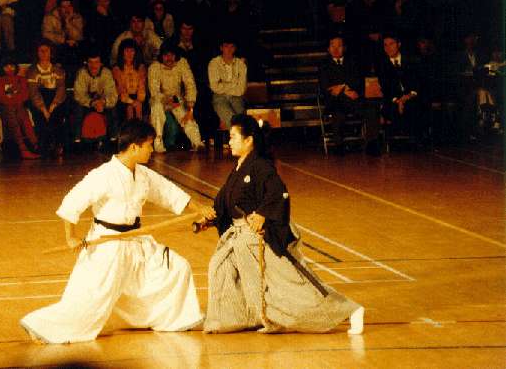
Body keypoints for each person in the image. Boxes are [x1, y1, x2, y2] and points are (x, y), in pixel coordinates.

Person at [20, 118, 205, 344]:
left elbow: (169, 193)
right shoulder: (104, 175)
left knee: (176, 268)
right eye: (149, 145)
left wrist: (200, 209)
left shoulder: (143, 174)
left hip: (136, 241)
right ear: (134, 147)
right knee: (91, 300)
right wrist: (71, 237)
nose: (151, 150)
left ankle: (173, 319)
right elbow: (72, 202)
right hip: (108, 245)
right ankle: (42, 326)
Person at [202, 114, 364, 335]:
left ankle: (348, 310)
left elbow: (279, 193)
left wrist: (263, 214)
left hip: (261, 237)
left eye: (233, 137)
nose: (229, 141)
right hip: (239, 237)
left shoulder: (261, 166)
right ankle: (235, 319)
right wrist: (210, 218)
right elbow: (225, 200)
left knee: (290, 284)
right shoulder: (239, 168)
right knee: (220, 268)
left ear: (248, 140)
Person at [148, 42, 203, 152]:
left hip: (177, 100)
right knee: (157, 109)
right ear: (161, 56)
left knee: (187, 115)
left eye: (172, 55)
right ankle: (158, 142)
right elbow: (154, 91)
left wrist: (190, 103)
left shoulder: (182, 63)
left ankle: (197, 143)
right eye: (166, 55)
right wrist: (167, 100)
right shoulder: (154, 67)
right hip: (159, 100)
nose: (169, 58)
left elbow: (190, 84)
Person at [27, 40, 68, 157]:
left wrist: (54, 104)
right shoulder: (33, 71)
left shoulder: (58, 69)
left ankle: (57, 145)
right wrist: (44, 109)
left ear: (51, 52)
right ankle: (44, 146)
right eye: (41, 51)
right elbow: (33, 92)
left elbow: (61, 88)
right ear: (37, 53)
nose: (44, 53)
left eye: (47, 51)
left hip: (55, 99)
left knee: (57, 116)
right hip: (40, 100)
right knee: (40, 118)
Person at [0, 58, 40, 159]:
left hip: (18, 107)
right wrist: (13, 103)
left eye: (12, 66)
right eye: (6, 66)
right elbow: (1, 97)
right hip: (6, 109)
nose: (9, 68)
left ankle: (35, 144)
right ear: (2, 68)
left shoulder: (21, 79)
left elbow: (25, 95)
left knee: (24, 118)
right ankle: (22, 149)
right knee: (12, 116)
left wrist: (14, 102)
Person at [72, 51, 119, 144]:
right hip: (87, 104)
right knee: (77, 109)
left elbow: (112, 94)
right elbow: (78, 94)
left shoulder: (106, 73)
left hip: (102, 103)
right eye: (90, 62)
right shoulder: (82, 73)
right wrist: (92, 103)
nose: (93, 66)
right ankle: (77, 141)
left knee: (113, 110)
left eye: (96, 62)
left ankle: (113, 140)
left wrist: (103, 102)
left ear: (101, 63)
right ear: (87, 63)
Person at [208, 37, 247, 130]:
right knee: (231, 119)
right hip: (219, 97)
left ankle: (239, 136)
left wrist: (223, 84)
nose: (229, 50)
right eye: (226, 46)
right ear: (221, 48)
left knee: (240, 119)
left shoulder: (241, 64)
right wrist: (234, 84)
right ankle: (240, 136)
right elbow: (215, 87)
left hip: (237, 97)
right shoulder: (214, 63)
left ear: (235, 48)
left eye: (232, 47)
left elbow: (241, 89)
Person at [113, 39, 147, 120]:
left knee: (139, 108)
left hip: (138, 98)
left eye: (132, 51)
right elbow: (120, 89)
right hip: (123, 99)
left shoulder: (141, 67)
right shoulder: (117, 69)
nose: (129, 54)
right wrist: (131, 102)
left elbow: (142, 87)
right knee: (129, 109)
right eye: (126, 51)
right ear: (122, 52)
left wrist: (138, 101)